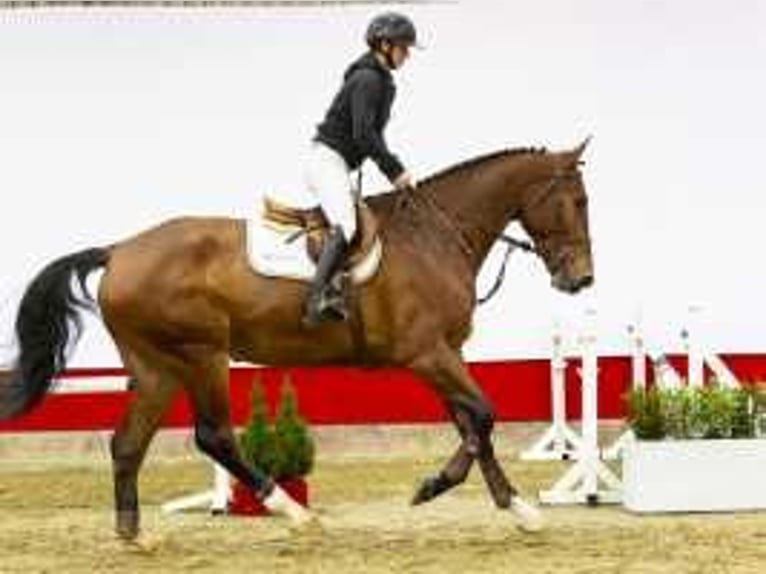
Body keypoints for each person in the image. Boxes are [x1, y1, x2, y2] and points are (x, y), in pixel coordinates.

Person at [302, 12, 419, 327]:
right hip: (327, 159)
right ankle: (317, 298)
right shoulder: (367, 79)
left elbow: (372, 137)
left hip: (337, 162)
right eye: (403, 47)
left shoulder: (380, 81)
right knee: (347, 224)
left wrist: (393, 170)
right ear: (384, 44)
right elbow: (364, 135)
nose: (407, 54)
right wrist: (395, 172)